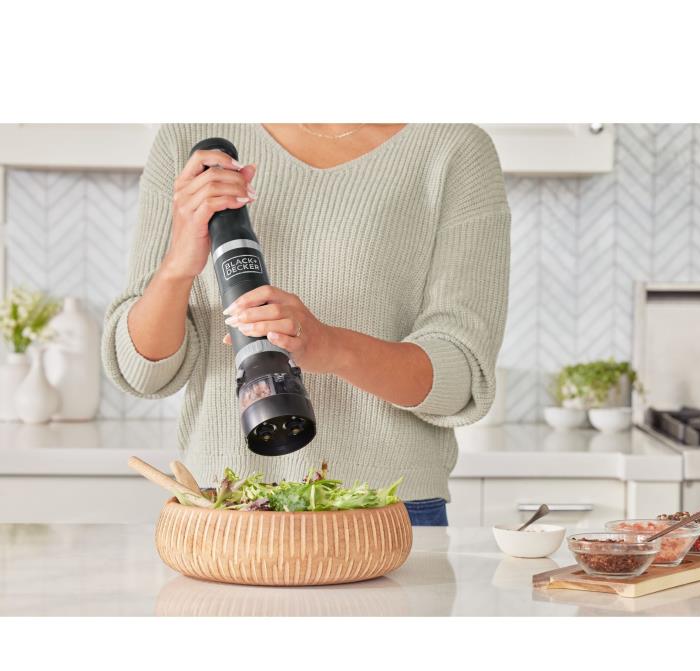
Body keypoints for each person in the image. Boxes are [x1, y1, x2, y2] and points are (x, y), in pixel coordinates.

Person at [102, 123, 510, 526]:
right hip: (225, 508)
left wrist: (331, 348)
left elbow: (461, 380)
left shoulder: (451, 148)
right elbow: (143, 373)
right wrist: (177, 265)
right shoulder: (191, 138)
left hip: (383, 511)